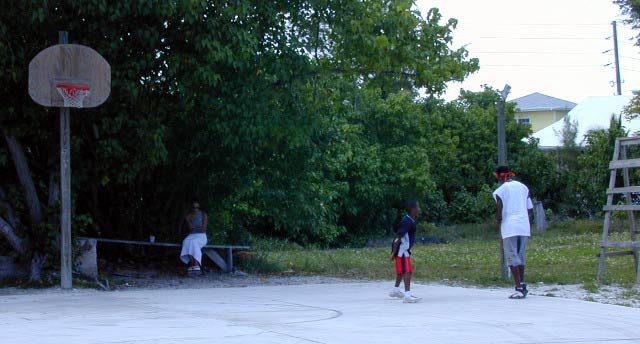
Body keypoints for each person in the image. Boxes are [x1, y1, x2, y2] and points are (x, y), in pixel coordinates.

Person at [492, 166, 534, 299]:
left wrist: (499, 223)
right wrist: (525, 220)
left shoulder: (500, 190)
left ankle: (519, 288)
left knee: (511, 257)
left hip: (510, 227)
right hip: (523, 226)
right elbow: (530, 209)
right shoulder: (523, 187)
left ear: (499, 176)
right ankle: (522, 283)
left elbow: (499, 208)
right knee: (520, 257)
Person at [389, 200, 422, 303]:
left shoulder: (410, 220)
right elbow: (398, 237)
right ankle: (407, 295)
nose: (419, 209)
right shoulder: (407, 221)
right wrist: (394, 253)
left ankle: (395, 290)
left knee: (402, 271)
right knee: (407, 271)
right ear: (413, 209)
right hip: (402, 251)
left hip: (404, 250)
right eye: (418, 207)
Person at [180, 198, 209, 273]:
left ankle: (196, 264)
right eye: (194, 208)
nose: (195, 209)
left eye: (197, 208)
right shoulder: (189, 216)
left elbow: (204, 229)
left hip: (201, 236)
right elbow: (190, 228)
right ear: (191, 208)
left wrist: (194, 227)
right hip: (192, 235)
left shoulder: (203, 215)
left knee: (194, 243)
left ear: (199, 208)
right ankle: (194, 264)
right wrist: (195, 226)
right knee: (185, 242)